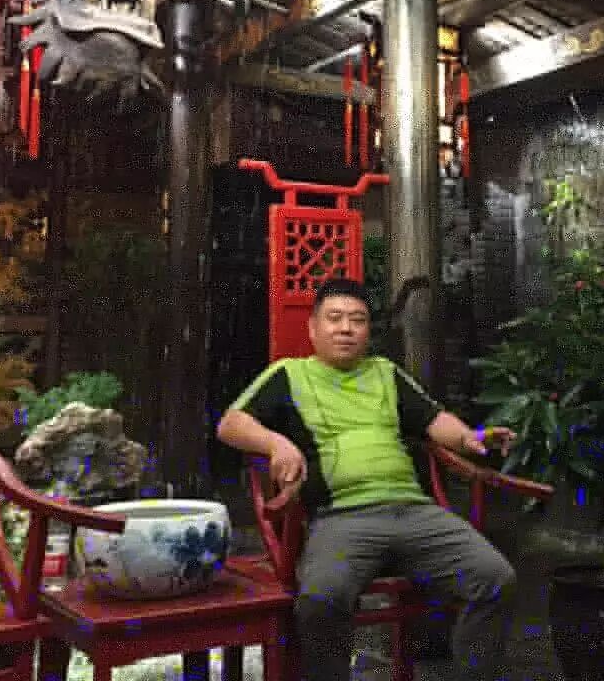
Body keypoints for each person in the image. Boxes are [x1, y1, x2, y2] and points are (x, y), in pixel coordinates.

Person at [216, 277, 518, 681]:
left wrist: (470, 438)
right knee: (321, 599)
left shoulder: (384, 373)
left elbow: (434, 419)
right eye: (335, 318)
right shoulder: (289, 374)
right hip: (342, 518)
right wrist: (276, 443)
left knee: (495, 578)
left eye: (357, 320)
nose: (346, 328)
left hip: (414, 512)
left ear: (367, 330)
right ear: (313, 328)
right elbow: (231, 425)